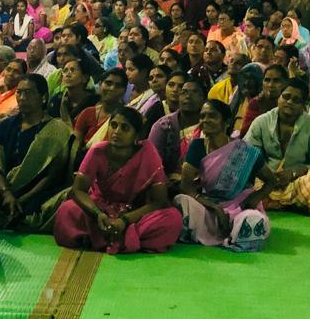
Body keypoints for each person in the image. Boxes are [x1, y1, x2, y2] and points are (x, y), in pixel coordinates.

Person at [54, 106, 181, 254]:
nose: (116, 131)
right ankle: (123, 240)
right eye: (113, 125)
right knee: (67, 210)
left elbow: (159, 201)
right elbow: (78, 190)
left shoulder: (148, 153)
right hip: (99, 208)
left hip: (134, 212)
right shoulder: (97, 151)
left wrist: (125, 220)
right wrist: (97, 214)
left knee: (173, 218)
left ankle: (102, 238)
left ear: (137, 135)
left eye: (124, 128)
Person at [173, 99, 276, 252]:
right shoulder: (198, 146)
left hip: (241, 208)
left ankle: (234, 232)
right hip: (210, 207)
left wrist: (254, 198)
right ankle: (225, 234)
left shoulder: (245, 151)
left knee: (253, 221)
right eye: (202, 116)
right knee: (180, 201)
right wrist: (215, 208)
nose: (205, 120)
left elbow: (271, 181)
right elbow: (186, 186)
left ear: (226, 122)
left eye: (212, 116)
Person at [244, 77, 310, 217]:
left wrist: (294, 173)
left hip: (298, 182)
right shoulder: (261, 122)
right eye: (286, 97)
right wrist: (268, 177)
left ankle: (276, 202)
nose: (289, 102)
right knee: (241, 180)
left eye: (296, 100)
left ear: (304, 105)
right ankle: (295, 204)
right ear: (279, 97)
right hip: (264, 182)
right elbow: (248, 155)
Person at [0, 74, 73, 232]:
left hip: (38, 196)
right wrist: (6, 193)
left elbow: (52, 176)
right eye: (19, 92)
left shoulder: (57, 129)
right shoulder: (5, 126)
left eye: (28, 92)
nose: (22, 97)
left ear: (43, 97)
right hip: (6, 192)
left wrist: (22, 199)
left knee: (67, 197)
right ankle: (12, 215)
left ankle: (16, 216)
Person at [148, 74, 205, 186]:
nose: (188, 96)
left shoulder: (208, 126)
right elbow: (152, 165)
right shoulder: (163, 126)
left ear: (204, 99)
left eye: (194, 92)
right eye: (184, 92)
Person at [74, 68, 130, 150]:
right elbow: (74, 146)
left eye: (118, 86)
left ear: (124, 91)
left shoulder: (126, 118)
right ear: (100, 85)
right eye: (108, 83)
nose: (112, 88)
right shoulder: (87, 113)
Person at [49, 58, 98, 127]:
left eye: (72, 70)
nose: (67, 74)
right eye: (65, 71)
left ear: (84, 78)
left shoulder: (94, 102)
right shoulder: (57, 101)